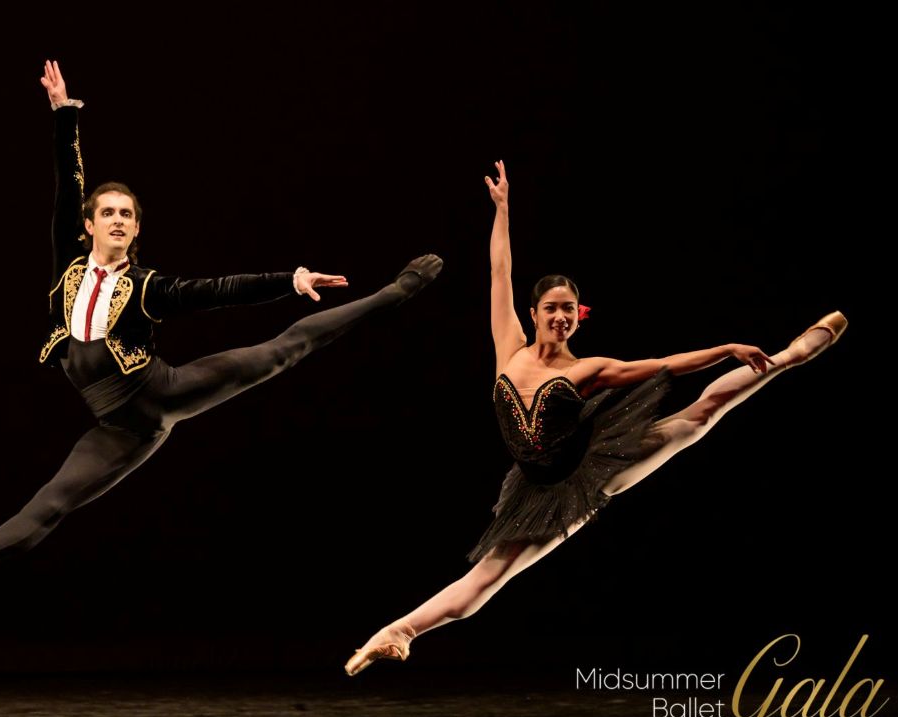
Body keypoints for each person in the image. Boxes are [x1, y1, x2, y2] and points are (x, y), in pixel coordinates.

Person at [0, 61, 442, 613]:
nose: (116, 220)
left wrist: (292, 279)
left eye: (127, 215)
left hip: (163, 392)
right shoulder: (68, 267)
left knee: (280, 351)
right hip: (117, 427)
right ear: (88, 226)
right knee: (49, 504)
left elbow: (219, 290)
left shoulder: (146, 286)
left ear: (136, 229)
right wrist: (63, 115)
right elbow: (69, 184)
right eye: (106, 212)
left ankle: (396, 291)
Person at [344, 160, 845, 674]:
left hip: (591, 470)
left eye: (569, 308)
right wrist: (503, 210)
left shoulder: (589, 369)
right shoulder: (508, 347)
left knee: (699, 415)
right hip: (535, 489)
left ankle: (786, 357)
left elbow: (666, 365)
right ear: (534, 313)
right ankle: (397, 632)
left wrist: (726, 348)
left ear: (576, 315)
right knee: (489, 577)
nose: (560, 316)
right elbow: (499, 270)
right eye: (552, 307)